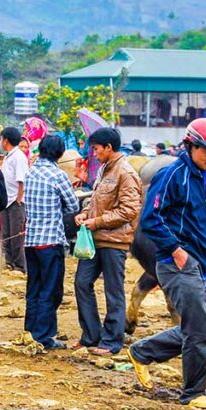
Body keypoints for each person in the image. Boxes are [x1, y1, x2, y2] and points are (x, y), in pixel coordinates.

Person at [128, 118, 206, 410]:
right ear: (190, 145)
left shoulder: (204, 177)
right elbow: (151, 218)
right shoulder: (172, 175)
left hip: (202, 262)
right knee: (201, 332)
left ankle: (142, 352)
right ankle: (193, 393)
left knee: (199, 327)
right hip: (177, 263)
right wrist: (176, 250)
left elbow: (204, 223)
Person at [73, 128, 141, 356]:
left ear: (108, 148)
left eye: (95, 149)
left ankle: (112, 341)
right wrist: (85, 213)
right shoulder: (104, 171)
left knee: (113, 291)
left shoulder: (126, 173)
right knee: (82, 283)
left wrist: (98, 221)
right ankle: (91, 335)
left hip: (114, 241)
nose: (94, 153)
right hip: (95, 239)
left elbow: (130, 210)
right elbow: (94, 199)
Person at [22, 134, 79, 350]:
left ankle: (31, 328)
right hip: (51, 241)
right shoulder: (58, 175)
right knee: (50, 289)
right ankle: (44, 336)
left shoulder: (31, 172)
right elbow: (73, 206)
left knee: (34, 287)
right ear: (60, 153)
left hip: (31, 240)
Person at [0, 126, 28, 273]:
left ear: (6, 140)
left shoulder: (19, 157)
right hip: (7, 199)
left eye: (1, 138)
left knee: (16, 235)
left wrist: (19, 199)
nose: (0, 141)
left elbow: (21, 180)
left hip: (15, 201)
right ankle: (10, 262)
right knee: (6, 233)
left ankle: (19, 265)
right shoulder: (8, 156)